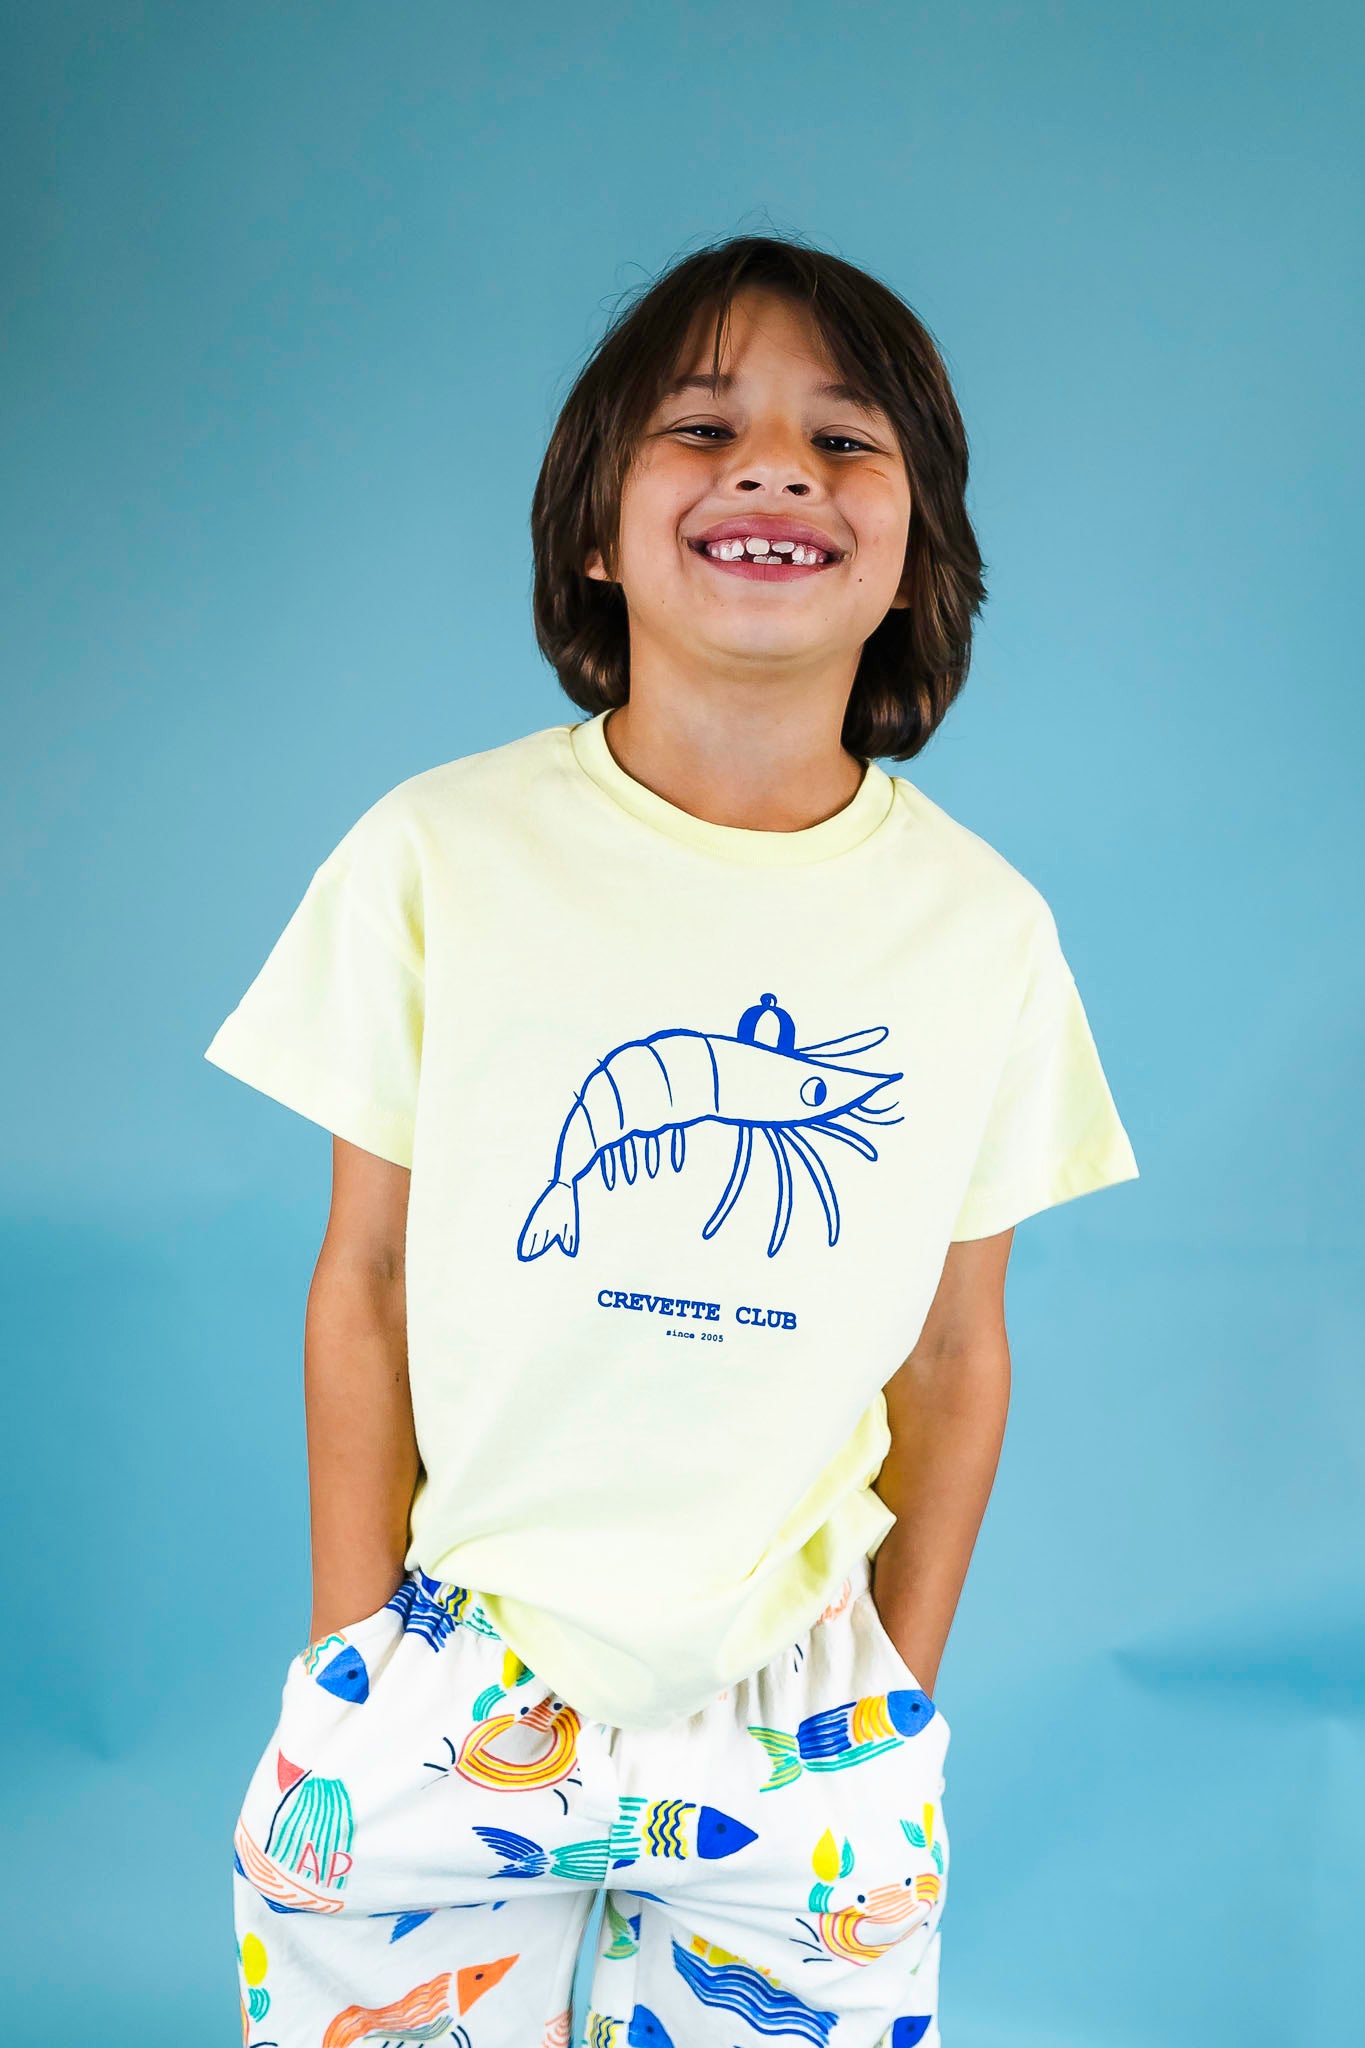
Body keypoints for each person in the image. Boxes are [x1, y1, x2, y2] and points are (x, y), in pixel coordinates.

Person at [207, 233, 1139, 2048]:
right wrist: (349, 1656)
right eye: (702, 429)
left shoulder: (986, 931)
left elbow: (956, 1352)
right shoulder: (432, 853)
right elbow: (367, 1277)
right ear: (594, 530)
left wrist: (892, 1689)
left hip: (802, 1699)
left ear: (914, 554)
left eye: (843, 441)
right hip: (449, 1660)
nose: (775, 469)